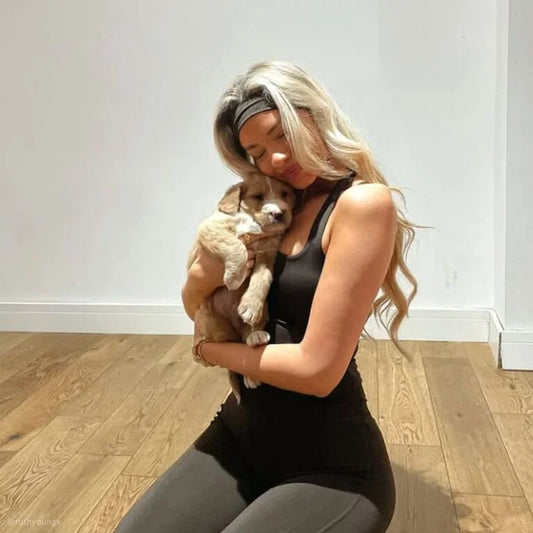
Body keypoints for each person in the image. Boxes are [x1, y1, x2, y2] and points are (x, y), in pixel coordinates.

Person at [115, 60, 419, 532]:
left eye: (282, 134)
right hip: (240, 436)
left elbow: (317, 372)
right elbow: (198, 305)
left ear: (314, 114)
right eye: (257, 151)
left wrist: (209, 351)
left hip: (332, 467)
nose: (275, 158)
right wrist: (199, 277)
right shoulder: (271, 203)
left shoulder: (361, 204)